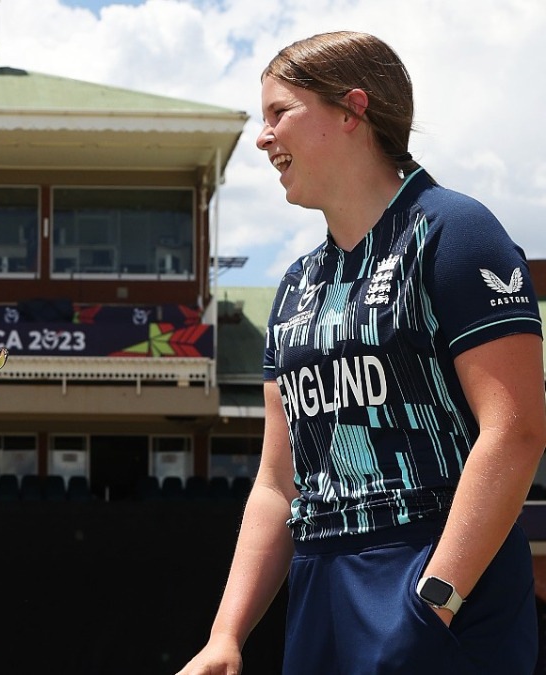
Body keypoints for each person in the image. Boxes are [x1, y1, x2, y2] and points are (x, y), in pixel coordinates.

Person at [178, 31, 545, 675]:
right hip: (320, 586)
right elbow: (277, 483)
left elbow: (514, 431)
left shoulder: (455, 231)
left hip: (437, 579)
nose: (263, 138)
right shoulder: (296, 286)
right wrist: (225, 636)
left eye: (279, 113)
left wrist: (435, 600)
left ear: (352, 110)